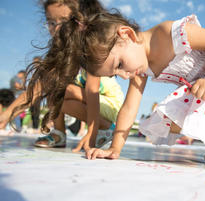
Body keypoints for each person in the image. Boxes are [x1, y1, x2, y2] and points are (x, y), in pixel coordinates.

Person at [34, 8, 205, 168]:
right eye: (116, 74)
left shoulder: (169, 33)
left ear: (126, 34)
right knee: (167, 118)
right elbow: (129, 108)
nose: (124, 75)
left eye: (119, 65)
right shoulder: (140, 67)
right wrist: (115, 148)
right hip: (201, 85)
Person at [0, 0, 124, 151]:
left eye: (65, 21)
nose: (57, 28)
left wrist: (92, 133)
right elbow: (37, 90)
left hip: (108, 104)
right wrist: (6, 115)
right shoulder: (59, 52)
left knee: (62, 87)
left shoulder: (91, 47)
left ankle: (106, 127)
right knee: (52, 85)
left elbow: (92, 92)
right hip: (86, 102)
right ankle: (59, 133)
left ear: (82, 20)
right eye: (51, 22)